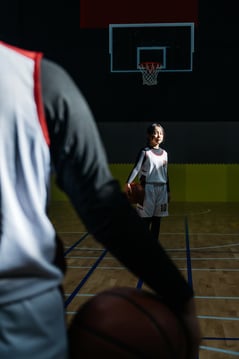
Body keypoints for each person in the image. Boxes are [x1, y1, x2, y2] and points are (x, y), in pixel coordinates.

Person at [0, 40, 200, 358]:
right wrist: (180, 296)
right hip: (24, 328)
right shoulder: (36, 79)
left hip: (25, 324)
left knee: (155, 221)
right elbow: (103, 205)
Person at [125, 123, 170, 242]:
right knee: (146, 220)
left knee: (157, 220)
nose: (158, 135)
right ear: (149, 135)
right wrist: (128, 182)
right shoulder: (145, 152)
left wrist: (168, 190)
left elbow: (166, 173)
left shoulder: (165, 154)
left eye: (161, 133)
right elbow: (136, 168)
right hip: (148, 189)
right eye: (155, 133)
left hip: (162, 189)